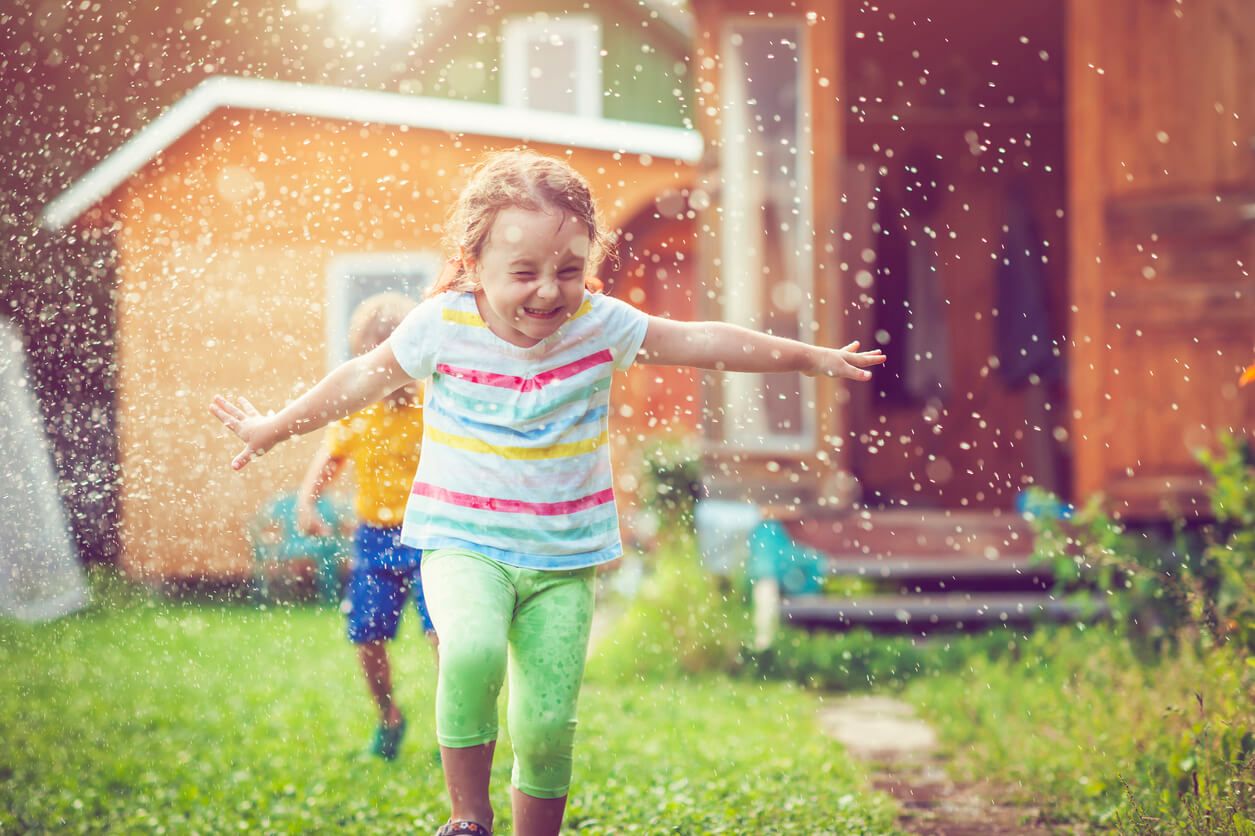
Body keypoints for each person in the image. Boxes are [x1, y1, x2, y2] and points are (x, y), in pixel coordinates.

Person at [210, 149, 885, 836]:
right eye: (524, 272)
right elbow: (359, 378)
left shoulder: (599, 325)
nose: (547, 291)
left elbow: (700, 340)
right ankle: (468, 818)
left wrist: (808, 358)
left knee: (544, 721)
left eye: (567, 269)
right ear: (473, 263)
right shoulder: (442, 325)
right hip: (462, 544)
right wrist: (274, 427)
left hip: (562, 561)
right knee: (468, 651)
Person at [292, 291, 437, 761]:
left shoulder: (433, 401)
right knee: (367, 635)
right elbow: (330, 455)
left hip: (433, 534)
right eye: (376, 356)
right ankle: (389, 716)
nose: (387, 369)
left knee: (445, 637)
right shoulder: (359, 406)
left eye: (395, 354)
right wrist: (307, 501)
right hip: (376, 537)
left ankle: (456, 728)